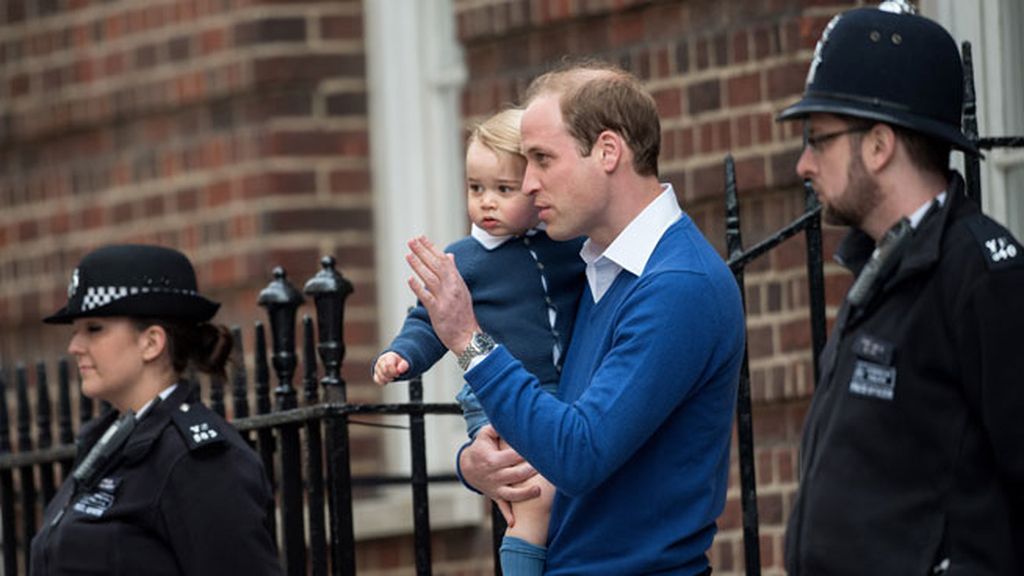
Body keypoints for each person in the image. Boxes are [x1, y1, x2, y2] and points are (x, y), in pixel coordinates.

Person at [404, 60, 746, 575]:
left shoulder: (679, 285)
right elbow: (550, 422)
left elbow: (579, 453)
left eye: (542, 159)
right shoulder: (594, 271)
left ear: (608, 151)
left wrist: (468, 339)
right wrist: (475, 465)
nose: (527, 183)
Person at [776, 5, 1024, 575]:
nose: (803, 164)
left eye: (819, 139)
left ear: (879, 145)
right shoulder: (881, 268)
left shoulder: (981, 277)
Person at [374, 108, 585, 574]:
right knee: (534, 495)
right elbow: (427, 320)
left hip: (559, 392)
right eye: (475, 188)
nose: (486, 202)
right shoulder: (464, 259)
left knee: (568, 491)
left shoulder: (569, 247)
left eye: (503, 189)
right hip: (494, 399)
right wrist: (401, 355)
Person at [31, 244, 282, 576]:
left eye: (94, 328)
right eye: (75, 331)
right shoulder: (105, 443)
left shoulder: (199, 462)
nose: (74, 346)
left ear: (151, 342)